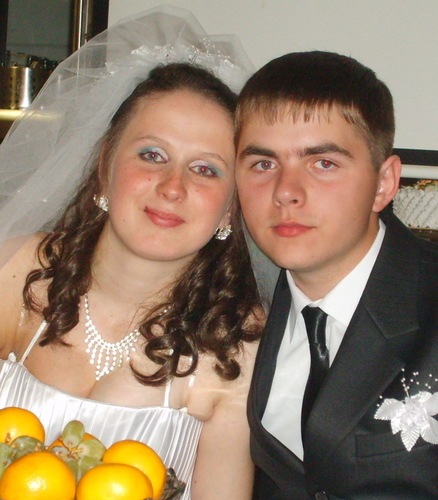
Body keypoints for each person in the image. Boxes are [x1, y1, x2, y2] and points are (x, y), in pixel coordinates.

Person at [0, 6, 264, 499]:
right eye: (151, 155)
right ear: (105, 166)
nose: (172, 187)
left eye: (205, 169)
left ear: (231, 208)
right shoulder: (18, 271)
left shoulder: (239, 345)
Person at [235, 50, 438, 499]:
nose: (286, 192)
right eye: (263, 164)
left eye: (322, 163)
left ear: (384, 183)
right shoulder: (236, 311)